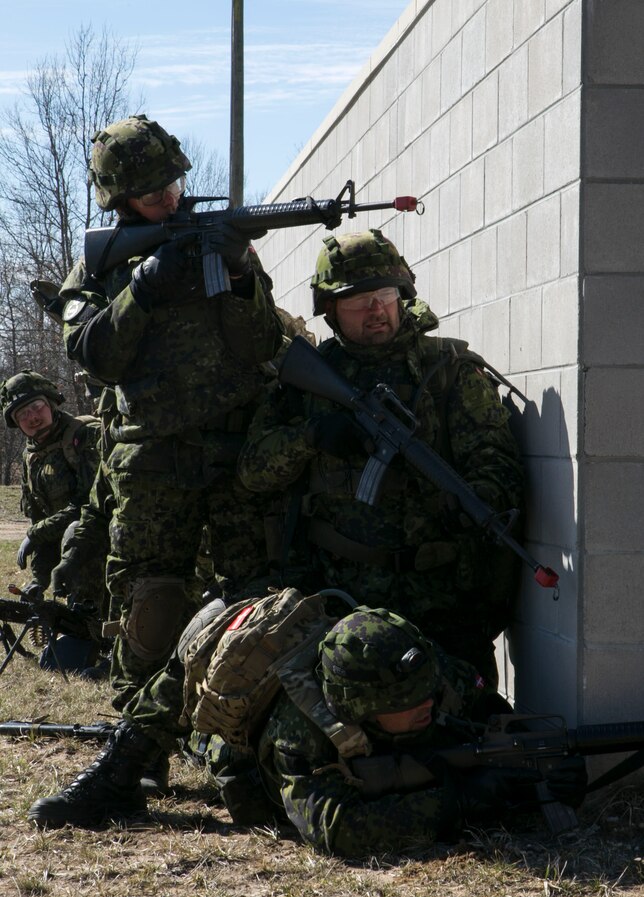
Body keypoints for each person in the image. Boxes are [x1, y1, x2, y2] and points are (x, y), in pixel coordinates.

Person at [57, 114, 284, 728]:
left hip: (238, 454)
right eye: (152, 191)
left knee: (251, 597)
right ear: (118, 198)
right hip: (151, 458)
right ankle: (140, 737)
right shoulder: (99, 266)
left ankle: (237, 734)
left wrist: (240, 274)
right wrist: (142, 291)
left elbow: (263, 344)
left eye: (173, 185)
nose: (169, 198)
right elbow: (95, 356)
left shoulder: (223, 244)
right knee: (151, 601)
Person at [27, 605, 587, 850]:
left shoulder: (424, 672)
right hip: (228, 735)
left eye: (427, 693)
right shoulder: (300, 734)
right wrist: (465, 801)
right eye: (408, 703)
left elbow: (478, 704)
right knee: (186, 697)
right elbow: (339, 830)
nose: (428, 705)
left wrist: (530, 762)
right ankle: (123, 767)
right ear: (360, 708)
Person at [237, 228, 525, 684]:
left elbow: (498, 459)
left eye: (386, 295)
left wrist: (474, 500)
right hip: (339, 599)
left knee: (465, 713)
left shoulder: (447, 371)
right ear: (330, 310)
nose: (375, 309)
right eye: (358, 300)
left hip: (443, 600)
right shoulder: (307, 382)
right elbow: (252, 471)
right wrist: (312, 436)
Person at [0, 369, 106, 670]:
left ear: (51, 403)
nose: (32, 417)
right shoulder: (31, 456)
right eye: (23, 414)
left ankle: (97, 630)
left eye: (37, 407)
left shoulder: (84, 435)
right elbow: (40, 520)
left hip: (104, 541)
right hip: (73, 551)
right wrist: (39, 579)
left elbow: (91, 506)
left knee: (76, 530)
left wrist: (36, 533)